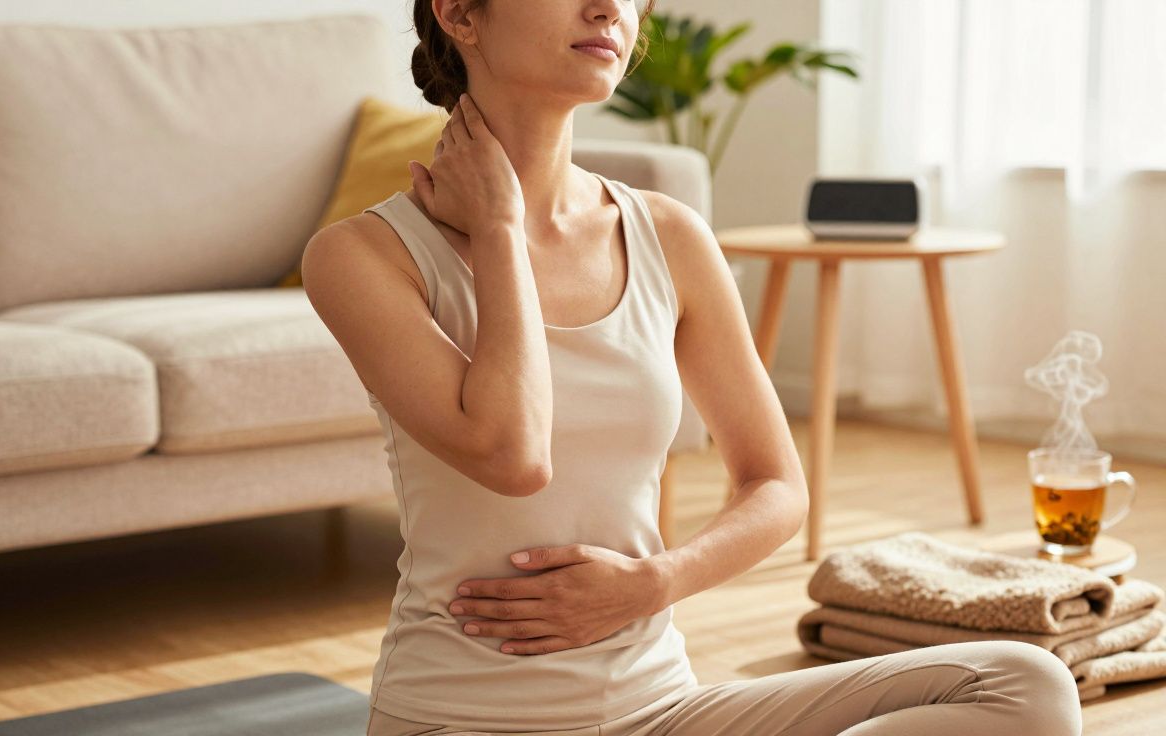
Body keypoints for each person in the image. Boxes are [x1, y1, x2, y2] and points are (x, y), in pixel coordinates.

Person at [300, 1, 1084, 734]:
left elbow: (777, 485)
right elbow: (513, 454)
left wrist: (657, 582)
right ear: (461, 11)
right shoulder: (362, 256)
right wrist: (501, 228)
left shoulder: (667, 235)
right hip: (465, 717)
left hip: (660, 709)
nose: (613, 6)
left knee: (1026, 684)